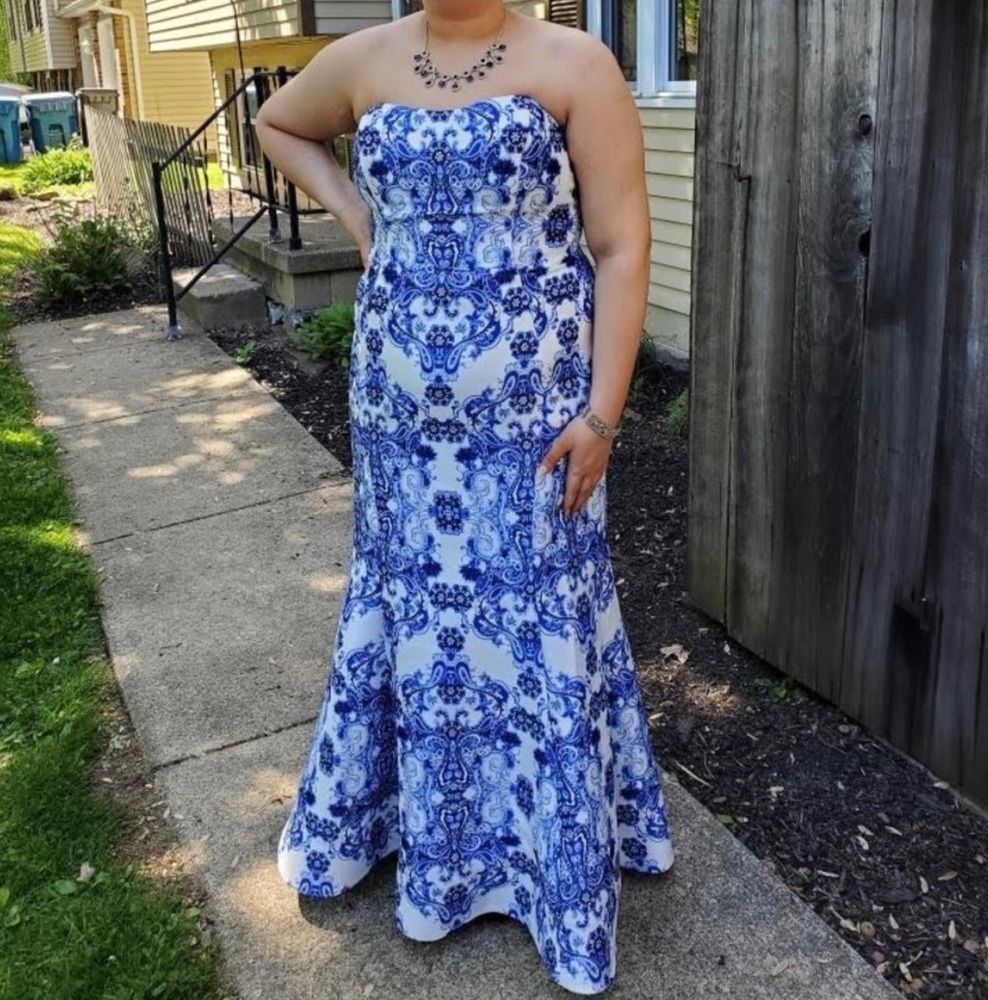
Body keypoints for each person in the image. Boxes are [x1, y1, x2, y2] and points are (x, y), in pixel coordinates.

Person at [255, 1, 674, 992]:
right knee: (416, 609)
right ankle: (421, 834)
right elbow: (280, 124)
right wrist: (357, 215)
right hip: (398, 420)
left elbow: (621, 246)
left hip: (536, 424)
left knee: (536, 618)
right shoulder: (361, 58)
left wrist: (604, 416)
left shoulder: (576, 62)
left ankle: (551, 865)